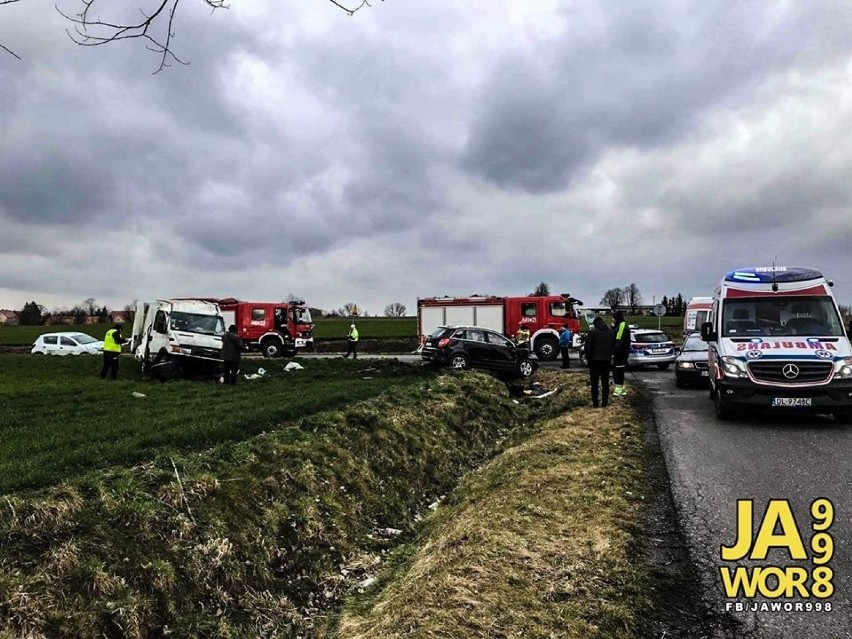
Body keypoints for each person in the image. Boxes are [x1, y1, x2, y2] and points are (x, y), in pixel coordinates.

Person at [584, 316, 615, 408]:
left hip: (594, 361)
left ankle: (595, 404)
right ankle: (604, 403)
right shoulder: (611, 333)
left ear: (595, 324)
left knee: (594, 383)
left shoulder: (593, 333)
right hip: (606, 360)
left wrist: (588, 359)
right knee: (605, 383)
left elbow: (588, 348)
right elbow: (613, 346)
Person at [611, 310, 632, 397]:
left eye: (614, 318)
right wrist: (613, 328)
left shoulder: (622, 326)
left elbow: (618, 340)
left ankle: (618, 389)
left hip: (620, 353)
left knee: (617, 371)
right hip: (622, 352)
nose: (613, 320)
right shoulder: (620, 325)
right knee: (620, 370)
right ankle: (622, 389)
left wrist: (613, 352)